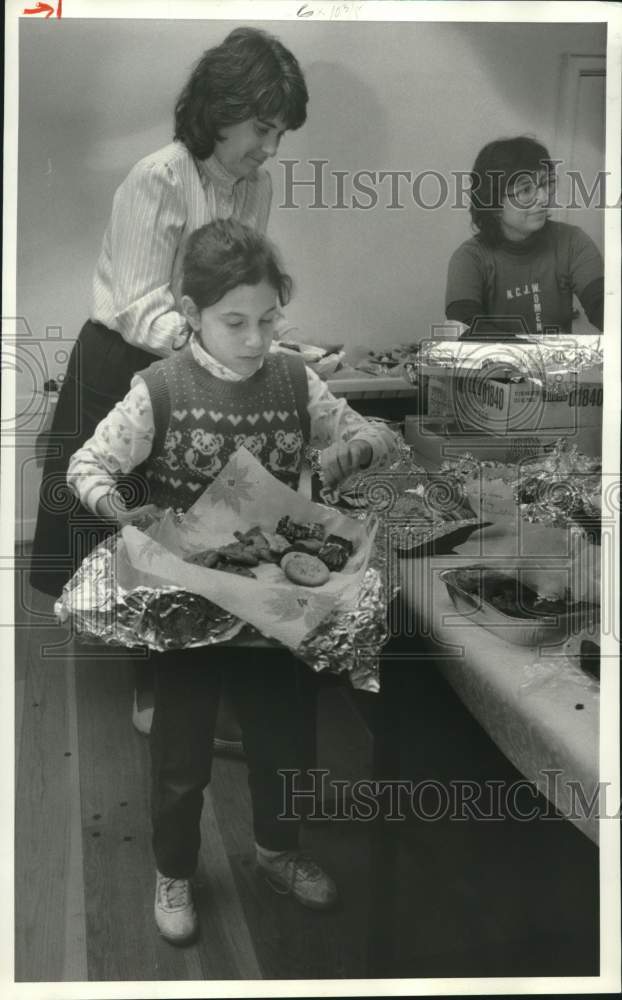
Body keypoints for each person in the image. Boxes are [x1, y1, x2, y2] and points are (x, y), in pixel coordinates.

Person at [66, 218, 402, 945]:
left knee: (284, 740)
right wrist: (122, 511)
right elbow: (86, 464)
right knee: (180, 756)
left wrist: (356, 448)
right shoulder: (158, 388)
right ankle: (174, 871)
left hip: (274, 598)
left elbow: (372, 432)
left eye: (269, 319)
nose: (256, 339)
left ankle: (278, 852)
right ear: (191, 315)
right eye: (235, 322)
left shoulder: (295, 379)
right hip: (187, 601)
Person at [29, 25, 309, 733]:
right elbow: (139, 304)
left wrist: (264, 343)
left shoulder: (257, 186)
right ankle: (152, 687)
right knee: (138, 526)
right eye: (262, 128)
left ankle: (199, 665)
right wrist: (219, 350)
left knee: (200, 524)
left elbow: (241, 283)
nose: (271, 148)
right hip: (125, 359)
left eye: (280, 133)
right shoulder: (160, 176)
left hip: (199, 362)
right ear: (222, 108)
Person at [445, 136, 604, 335]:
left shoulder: (573, 241)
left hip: (552, 358)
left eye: (545, 184)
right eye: (526, 190)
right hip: (498, 357)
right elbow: (465, 326)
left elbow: (604, 307)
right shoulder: (469, 258)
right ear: (493, 204)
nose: (543, 198)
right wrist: (530, 352)